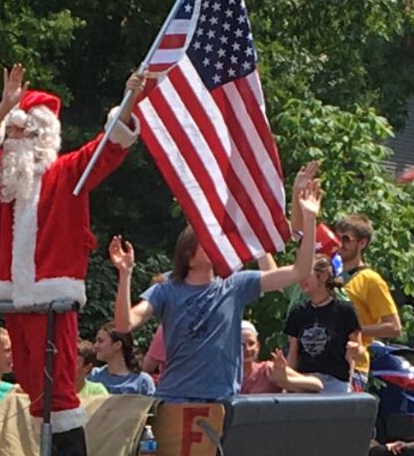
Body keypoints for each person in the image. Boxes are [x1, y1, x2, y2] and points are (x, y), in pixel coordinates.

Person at [0, 64, 146, 456]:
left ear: (39, 135)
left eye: (17, 131)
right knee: (32, 382)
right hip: (15, 294)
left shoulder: (68, 173)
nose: (10, 141)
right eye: (9, 132)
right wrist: (4, 106)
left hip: (53, 295)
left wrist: (131, 98)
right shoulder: (5, 179)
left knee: (59, 385)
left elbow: (109, 148)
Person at [111, 164, 322, 403]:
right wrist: (125, 274)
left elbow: (300, 271)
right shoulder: (167, 288)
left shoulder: (235, 284)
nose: (217, 246)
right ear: (188, 253)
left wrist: (310, 218)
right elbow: (124, 324)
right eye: (208, 242)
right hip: (174, 398)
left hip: (221, 400)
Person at [274, 250, 361, 394]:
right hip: (304, 381)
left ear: (323, 277)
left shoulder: (345, 311)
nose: (301, 279)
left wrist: (356, 350)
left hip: (335, 382)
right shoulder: (298, 312)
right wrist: (286, 383)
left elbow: (358, 352)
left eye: (306, 274)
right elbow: (293, 354)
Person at [335, 214, 401, 389]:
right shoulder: (329, 273)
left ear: (362, 243)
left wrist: (354, 331)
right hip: (323, 364)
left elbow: (394, 327)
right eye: (337, 237)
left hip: (354, 366)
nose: (340, 243)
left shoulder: (371, 280)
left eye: (346, 238)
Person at [88, 326, 156, 396]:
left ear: (117, 345)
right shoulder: (94, 376)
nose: (95, 345)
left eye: (100, 341)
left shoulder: (142, 381)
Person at [239, 321, 281, 394]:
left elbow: (301, 382)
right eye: (242, 344)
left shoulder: (268, 370)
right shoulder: (222, 376)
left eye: (251, 343)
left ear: (258, 347)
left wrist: (286, 380)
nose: (247, 349)